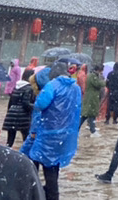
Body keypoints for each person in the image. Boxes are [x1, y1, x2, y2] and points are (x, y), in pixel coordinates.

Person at [21, 60, 81, 200]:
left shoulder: (52, 85)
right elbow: (77, 109)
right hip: (65, 134)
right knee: (53, 168)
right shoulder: (76, 88)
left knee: (35, 167)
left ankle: (38, 194)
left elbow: (40, 105)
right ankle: (50, 194)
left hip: (47, 134)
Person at [2, 69, 35, 148]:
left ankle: (6, 152)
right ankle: (25, 154)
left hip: (12, 114)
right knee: (26, 139)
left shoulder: (16, 87)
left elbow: (11, 102)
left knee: (10, 141)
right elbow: (25, 104)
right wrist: (35, 106)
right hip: (23, 116)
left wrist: (9, 113)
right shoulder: (29, 88)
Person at [80, 65, 104, 137]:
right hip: (92, 98)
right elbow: (97, 84)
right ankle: (93, 131)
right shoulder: (93, 76)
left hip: (92, 97)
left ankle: (77, 129)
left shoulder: (91, 75)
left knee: (86, 114)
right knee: (90, 114)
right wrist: (104, 82)